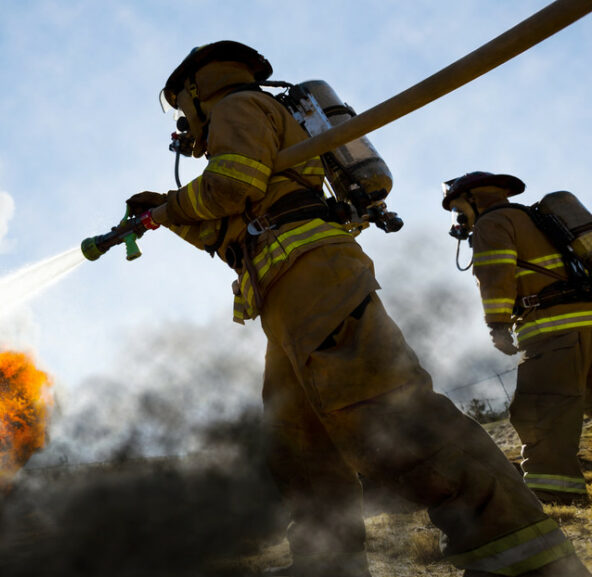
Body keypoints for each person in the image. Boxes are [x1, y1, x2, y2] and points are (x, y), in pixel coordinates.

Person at [125, 41, 591, 577]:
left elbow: (230, 186)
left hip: (316, 283)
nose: (184, 120)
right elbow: (232, 231)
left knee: (390, 412)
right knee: (299, 445)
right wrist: (164, 213)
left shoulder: (235, 106)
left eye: (181, 105)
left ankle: (522, 558)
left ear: (194, 89)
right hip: (287, 301)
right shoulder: (256, 126)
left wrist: (170, 205)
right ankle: (327, 563)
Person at [442, 171, 592, 506]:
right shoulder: (538, 219)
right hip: (587, 319)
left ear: (474, 199)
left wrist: (497, 325)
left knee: (540, 411)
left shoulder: (492, 224)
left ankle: (556, 495)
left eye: (458, 209)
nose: (459, 219)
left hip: (555, 331)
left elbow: (495, 275)